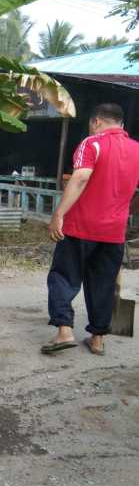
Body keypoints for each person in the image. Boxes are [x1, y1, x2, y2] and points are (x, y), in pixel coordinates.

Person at [42, 103, 139, 356]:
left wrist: (58, 214)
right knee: (103, 284)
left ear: (96, 122)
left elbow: (81, 177)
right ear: (122, 125)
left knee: (63, 277)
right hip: (114, 232)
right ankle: (97, 339)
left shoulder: (92, 143)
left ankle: (64, 331)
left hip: (79, 227)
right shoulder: (137, 150)